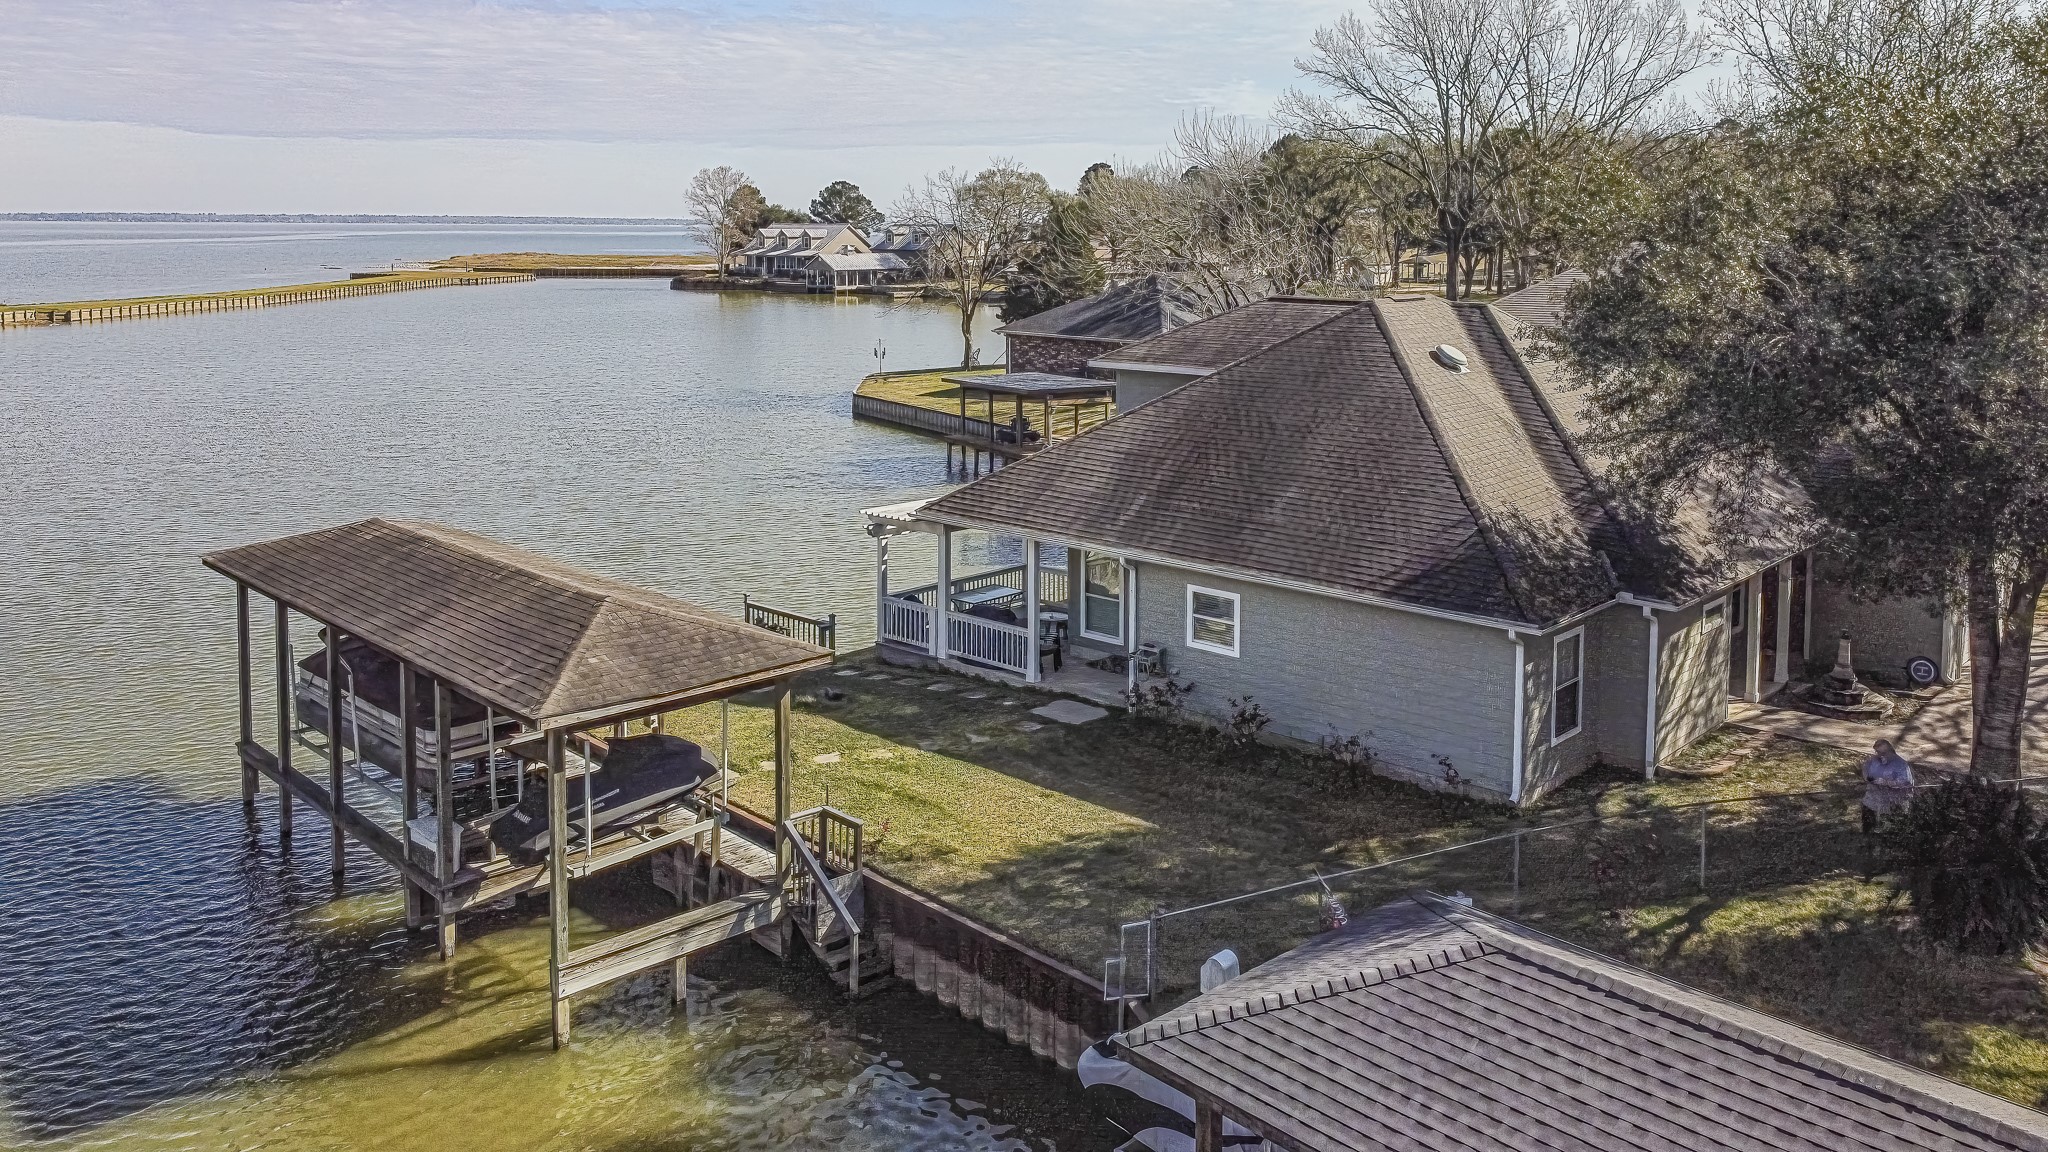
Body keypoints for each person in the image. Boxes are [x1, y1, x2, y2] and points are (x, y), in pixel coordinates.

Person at [1861, 738, 1914, 833]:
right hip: (1872, 799)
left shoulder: (1901, 764)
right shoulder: (1874, 760)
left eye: (1882, 753)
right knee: (1868, 825)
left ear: (1890, 751)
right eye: (1877, 752)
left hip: (1892, 802)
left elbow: (1906, 783)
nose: (1879, 755)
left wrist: (1886, 782)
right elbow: (1866, 771)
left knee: (1890, 828)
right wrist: (1868, 777)